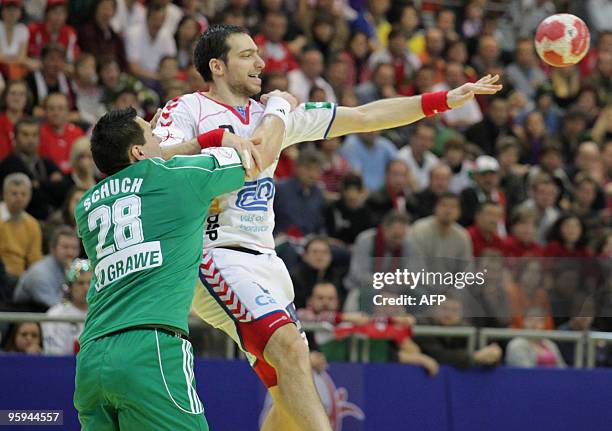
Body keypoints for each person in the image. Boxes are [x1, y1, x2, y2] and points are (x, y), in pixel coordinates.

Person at [154, 24, 502, 431]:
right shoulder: (187, 109)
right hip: (213, 253)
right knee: (288, 348)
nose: (261, 63)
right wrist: (210, 143)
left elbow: (366, 116)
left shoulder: (273, 115)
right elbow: (154, 158)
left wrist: (443, 99)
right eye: (247, 54)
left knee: (289, 387)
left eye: (258, 53)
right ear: (216, 65)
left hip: (266, 261)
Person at [73, 106, 280, 430]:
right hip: (149, 350)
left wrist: (164, 146)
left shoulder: (86, 205)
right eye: (153, 134)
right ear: (139, 151)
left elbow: (140, 172)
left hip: (91, 358)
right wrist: (278, 109)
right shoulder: (177, 178)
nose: (162, 138)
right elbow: (260, 154)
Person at [13, 225, 80, 311]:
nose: (70, 252)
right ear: (52, 249)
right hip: (28, 316)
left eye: (74, 248)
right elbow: (57, 308)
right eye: (65, 247)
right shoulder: (40, 273)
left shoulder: (75, 268)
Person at [42, 258, 90, 355]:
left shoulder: (104, 311)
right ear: (70, 287)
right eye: (80, 283)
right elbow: (53, 354)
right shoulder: (55, 315)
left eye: (90, 283)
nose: (86, 288)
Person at [0, 173, 42, 278]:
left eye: (23, 194)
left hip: (22, 277)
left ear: (29, 197)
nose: (19, 198)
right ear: (4, 195)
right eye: (14, 193)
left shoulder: (33, 224)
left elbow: (35, 260)